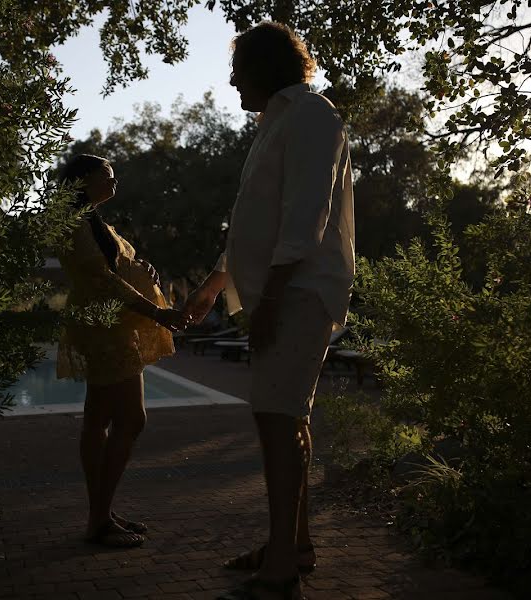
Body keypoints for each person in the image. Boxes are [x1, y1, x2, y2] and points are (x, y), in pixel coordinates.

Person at [184, 22, 355, 600]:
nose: (231, 81)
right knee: (284, 420)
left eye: (237, 70)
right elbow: (252, 224)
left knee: (278, 420)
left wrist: (270, 305)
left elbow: (303, 221)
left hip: (301, 292)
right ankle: (294, 543)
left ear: (263, 68)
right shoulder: (274, 125)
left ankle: (282, 563)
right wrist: (213, 285)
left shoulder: (312, 115)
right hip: (280, 292)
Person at [56, 154, 189, 547]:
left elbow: (117, 270)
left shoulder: (96, 223)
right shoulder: (76, 224)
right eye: (107, 176)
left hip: (109, 324)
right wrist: (155, 312)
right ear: (83, 181)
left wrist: (140, 268)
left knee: (98, 419)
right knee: (130, 420)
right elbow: (101, 281)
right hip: (105, 328)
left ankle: (102, 514)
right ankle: (98, 519)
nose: (114, 182)